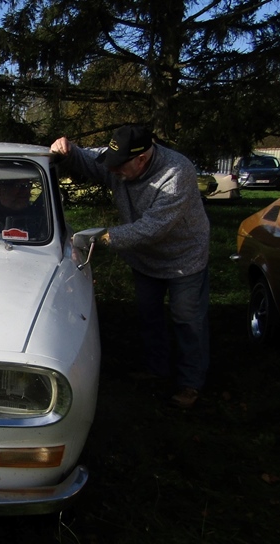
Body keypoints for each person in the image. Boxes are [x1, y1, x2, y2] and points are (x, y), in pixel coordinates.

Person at [50, 125, 210, 409]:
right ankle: (156, 368)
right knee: (149, 315)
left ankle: (190, 383)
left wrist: (101, 237)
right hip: (144, 258)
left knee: (187, 319)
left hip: (184, 258)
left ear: (142, 159)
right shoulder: (120, 160)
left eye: (118, 167)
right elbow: (91, 160)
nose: (112, 171)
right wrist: (68, 150)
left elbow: (153, 228)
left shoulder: (177, 173)